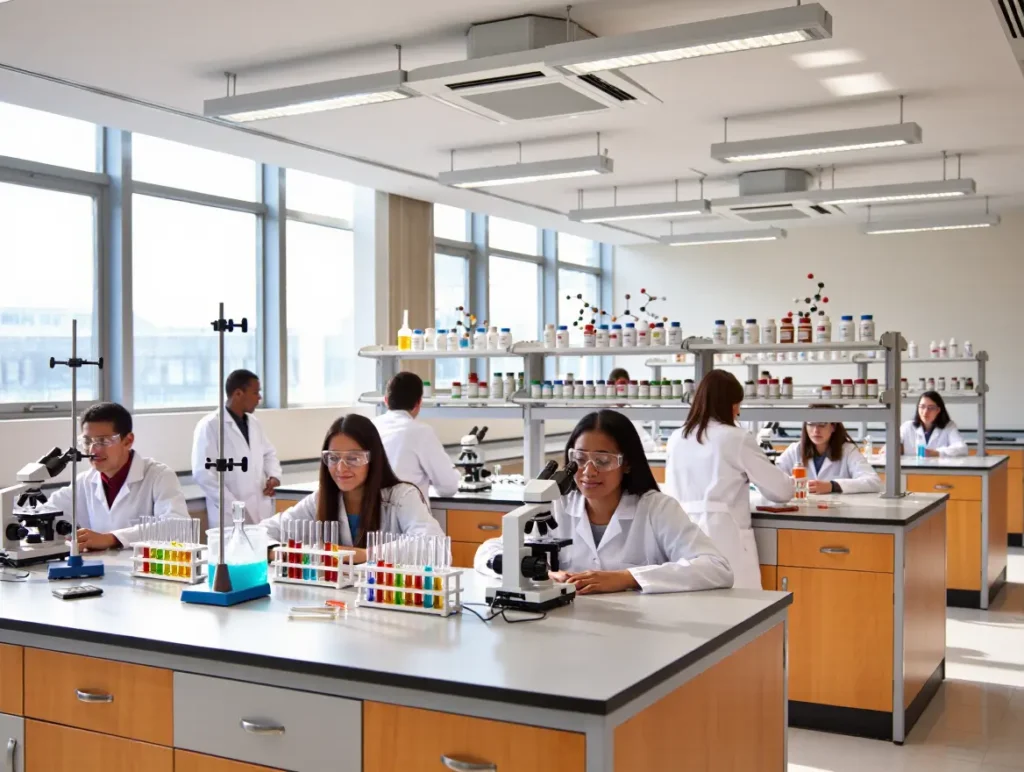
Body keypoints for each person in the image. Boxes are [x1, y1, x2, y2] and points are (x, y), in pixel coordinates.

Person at [475, 410, 733, 594]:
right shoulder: (555, 506)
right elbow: (486, 553)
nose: (588, 471)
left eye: (602, 460)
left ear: (627, 463)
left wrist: (626, 578)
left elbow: (717, 568)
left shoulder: (657, 509)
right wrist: (535, 572)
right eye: (580, 459)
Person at [664, 369, 793, 589]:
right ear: (728, 404)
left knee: (692, 608)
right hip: (724, 537)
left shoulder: (677, 437)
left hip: (681, 535)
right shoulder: (736, 437)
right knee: (737, 611)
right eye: (737, 404)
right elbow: (781, 491)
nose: (738, 411)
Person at [262, 414, 443, 561]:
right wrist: (277, 551)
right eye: (333, 458)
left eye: (353, 458)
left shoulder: (401, 497)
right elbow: (258, 533)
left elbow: (434, 545)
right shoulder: (320, 500)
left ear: (373, 459)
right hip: (334, 600)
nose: (341, 468)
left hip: (389, 600)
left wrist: (365, 555)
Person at [45, 402, 188, 550]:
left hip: (145, 569)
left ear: (128, 441)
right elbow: (48, 511)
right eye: (87, 441)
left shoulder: (159, 476)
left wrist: (111, 538)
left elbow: (176, 527)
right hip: (99, 568)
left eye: (103, 441)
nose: (93, 450)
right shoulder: (84, 481)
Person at [191, 369, 282, 526]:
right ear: (238, 393)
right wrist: (233, 506)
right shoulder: (210, 426)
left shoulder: (254, 423)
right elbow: (204, 474)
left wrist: (273, 476)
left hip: (260, 508)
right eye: (255, 392)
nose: (259, 397)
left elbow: (268, 454)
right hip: (229, 517)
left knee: (262, 547)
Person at [372, 372, 461, 501]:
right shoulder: (421, 432)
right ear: (419, 402)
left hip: (372, 515)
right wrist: (456, 475)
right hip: (409, 516)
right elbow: (448, 488)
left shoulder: (370, 426)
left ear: (385, 400)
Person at [776, 422, 882, 494]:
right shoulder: (795, 450)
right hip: (802, 510)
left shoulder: (848, 451)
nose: (816, 430)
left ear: (833, 427)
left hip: (838, 514)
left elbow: (874, 482)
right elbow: (773, 478)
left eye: (822, 424)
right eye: (811, 424)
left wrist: (833, 486)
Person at [899, 391, 968, 457]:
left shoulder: (948, 426)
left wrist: (937, 453)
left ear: (938, 410)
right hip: (911, 468)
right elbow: (892, 446)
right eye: (922, 407)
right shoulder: (907, 426)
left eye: (931, 408)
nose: (925, 412)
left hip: (939, 468)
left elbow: (962, 448)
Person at [608, 367, 658, 452]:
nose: (622, 391)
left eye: (624, 386)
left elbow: (649, 445)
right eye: (620, 387)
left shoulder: (633, 411)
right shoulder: (606, 412)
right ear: (612, 387)